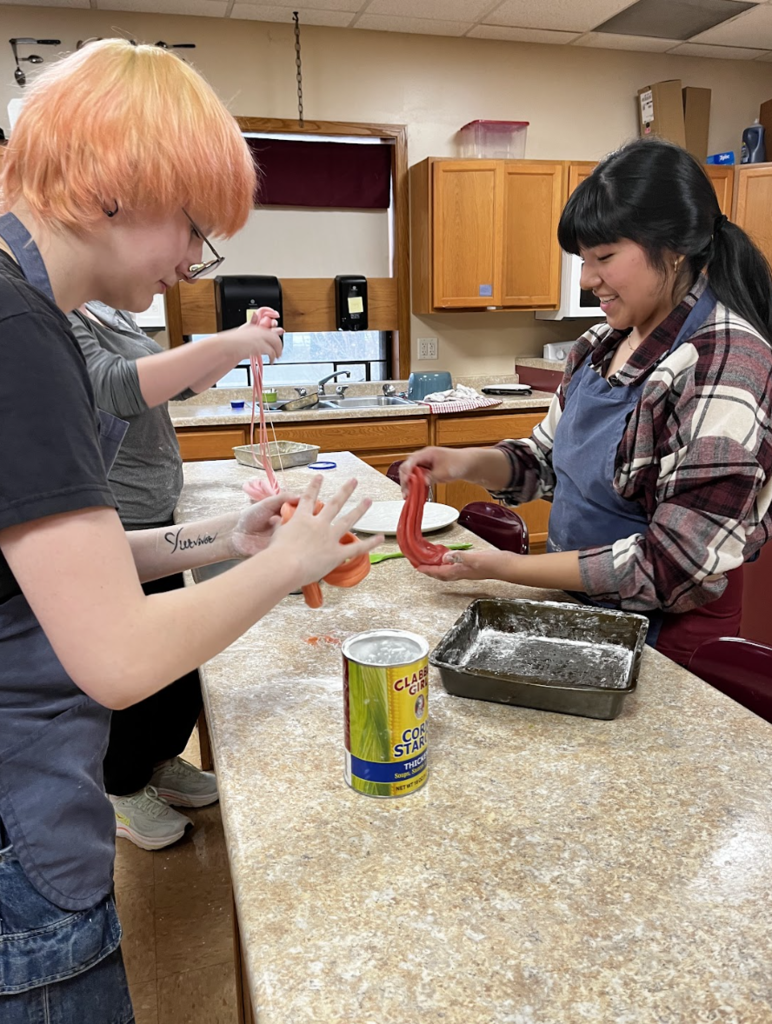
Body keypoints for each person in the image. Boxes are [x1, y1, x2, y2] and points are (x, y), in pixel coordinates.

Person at [0, 40, 382, 1022]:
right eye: (193, 227)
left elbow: (56, 570)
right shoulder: (20, 330)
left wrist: (224, 541)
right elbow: (119, 657)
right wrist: (291, 562)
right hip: (20, 820)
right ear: (111, 189)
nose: (190, 262)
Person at [401, 138, 772, 667]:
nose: (587, 278)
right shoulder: (598, 347)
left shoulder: (727, 361)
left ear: (675, 249)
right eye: (581, 259)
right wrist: (464, 462)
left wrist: (502, 567)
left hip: (666, 639)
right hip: (584, 609)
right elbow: (544, 462)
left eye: (604, 257)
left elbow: (673, 565)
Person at [68, 299, 281, 850]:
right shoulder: (57, 313)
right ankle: (123, 786)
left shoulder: (107, 313)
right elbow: (115, 386)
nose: (191, 264)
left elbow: (179, 385)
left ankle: (159, 762)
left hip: (153, 513)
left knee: (180, 665)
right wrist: (234, 342)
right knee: (141, 667)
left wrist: (237, 343)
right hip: (119, 514)